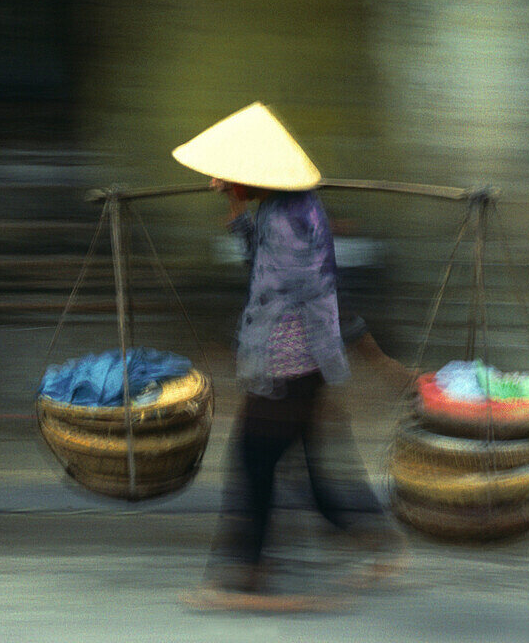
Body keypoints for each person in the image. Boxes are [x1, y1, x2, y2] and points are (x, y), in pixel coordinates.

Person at [171, 103, 408, 600]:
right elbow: (266, 264)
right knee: (310, 468)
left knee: (253, 460)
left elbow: (316, 291)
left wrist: (371, 354)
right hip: (301, 365)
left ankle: (246, 574)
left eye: (230, 177)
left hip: (290, 365)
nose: (221, 183)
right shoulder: (289, 208)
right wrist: (238, 212)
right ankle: (379, 543)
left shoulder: (289, 220)